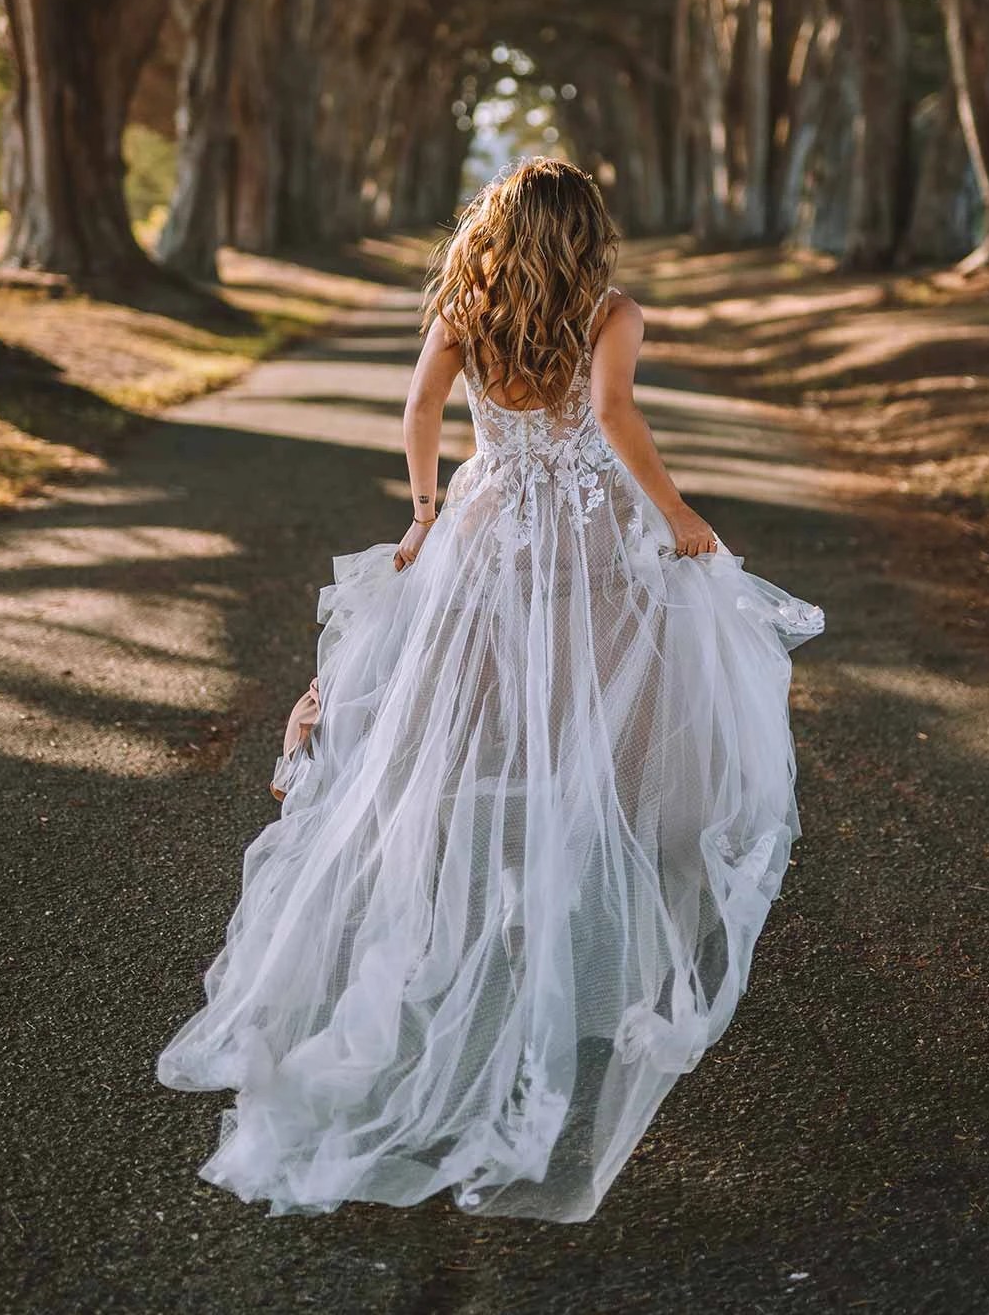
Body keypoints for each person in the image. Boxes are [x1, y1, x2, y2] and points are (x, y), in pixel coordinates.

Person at [157, 157, 823, 1222]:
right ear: (587, 231)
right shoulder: (612, 312)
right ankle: (588, 856)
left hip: (489, 528)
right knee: (608, 694)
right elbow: (614, 418)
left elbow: (422, 407)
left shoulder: (469, 308)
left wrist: (424, 513)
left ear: (497, 228)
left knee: (464, 704)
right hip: (593, 538)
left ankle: (507, 864)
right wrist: (679, 514)